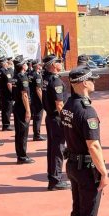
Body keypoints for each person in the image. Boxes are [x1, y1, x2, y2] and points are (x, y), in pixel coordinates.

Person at [61, 66, 108, 216]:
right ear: (84, 83)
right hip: (87, 169)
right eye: (91, 79)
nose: (94, 82)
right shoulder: (87, 111)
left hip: (73, 164)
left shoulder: (68, 105)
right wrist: (103, 172)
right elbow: (93, 145)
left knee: (78, 210)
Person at [42, 54, 70, 191]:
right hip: (57, 118)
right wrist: (66, 121)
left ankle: (53, 177)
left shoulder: (46, 78)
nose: (61, 63)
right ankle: (56, 180)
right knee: (58, 149)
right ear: (53, 65)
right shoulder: (56, 81)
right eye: (58, 61)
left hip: (50, 118)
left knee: (53, 149)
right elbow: (59, 104)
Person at [12, 55, 34, 164]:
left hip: (17, 106)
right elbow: (24, 95)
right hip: (22, 107)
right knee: (23, 133)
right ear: (22, 66)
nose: (26, 65)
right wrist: (28, 111)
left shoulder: (15, 76)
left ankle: (20, 154)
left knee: (19, 133)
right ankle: (22, 156)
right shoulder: (23, 77)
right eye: (25, 63)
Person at [28, 59, 46, 141]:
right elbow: (38, 89)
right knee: (38, 117)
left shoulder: (30, 74)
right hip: (37, 99)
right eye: (40, 64)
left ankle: (36, 134)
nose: (41, 65)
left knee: (35, 117)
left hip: (32, 98)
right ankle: (37, 135)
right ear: (37, 66)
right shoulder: (37, 75)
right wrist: (43, 100)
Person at [0, 56, 14, 131]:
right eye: (6, 62)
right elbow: (9, 84)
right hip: (7, 93)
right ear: (4, 63)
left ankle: (5, 124)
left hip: (1, 91)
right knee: (7, 109)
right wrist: (13, 93)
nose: (7, 63)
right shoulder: (5, 71)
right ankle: (6, 125)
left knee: (4, 109)